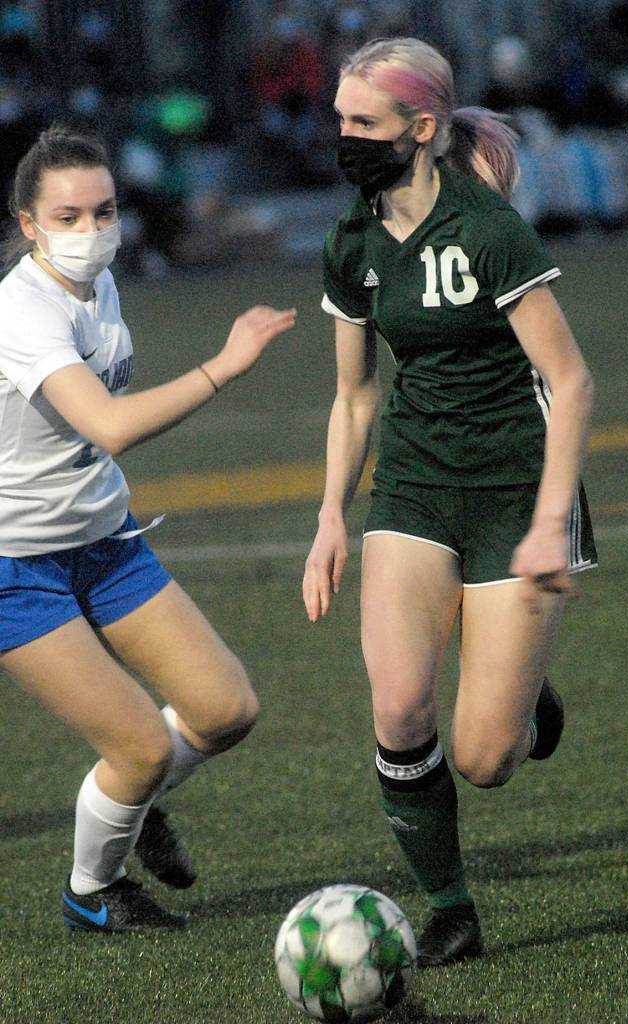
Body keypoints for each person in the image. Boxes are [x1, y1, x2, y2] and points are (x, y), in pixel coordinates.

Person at [302, 38, 597, 967]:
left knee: (484, 760)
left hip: (516, 492)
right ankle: (450, 910)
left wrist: (553, 519)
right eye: (339, 120)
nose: (345, 138)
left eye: (365, 123)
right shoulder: (350, 239)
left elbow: (571, 379)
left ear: (421, 130)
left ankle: (520, 700)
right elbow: (354, 397)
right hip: (416, 486)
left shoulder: (489, 231)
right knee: (397, 712)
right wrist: (327, 520)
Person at [0, 124, 296, 932]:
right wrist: (223, 366)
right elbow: (109, 426)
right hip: (17, 568)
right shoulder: (22, 312)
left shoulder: (97, 285)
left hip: (106, 542)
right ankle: (91, 894)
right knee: (136, 748)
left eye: (103, 211)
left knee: (226, 707)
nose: (90, 231)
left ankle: (135, 801)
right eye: (66, 217)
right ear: (27, 224)